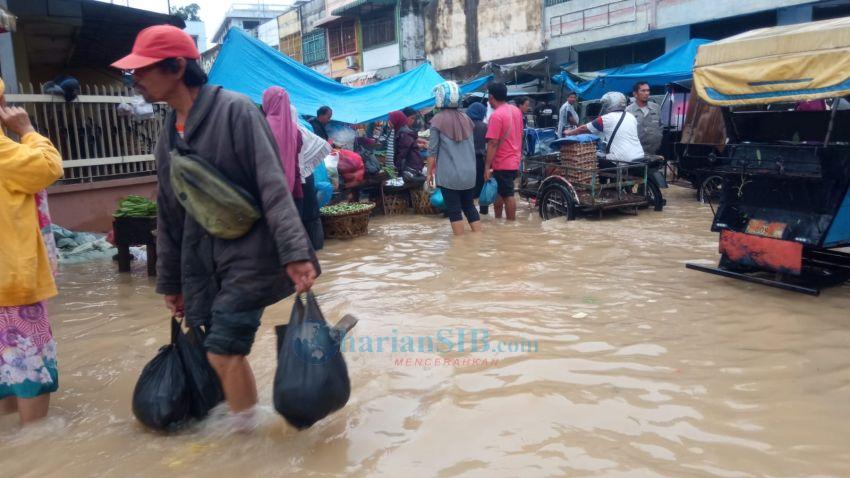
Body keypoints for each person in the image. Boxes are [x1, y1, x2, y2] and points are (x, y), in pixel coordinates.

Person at [112, 25, 319, 425]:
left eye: (143, 69)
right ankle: (244, 425)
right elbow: (169, 215)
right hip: (204, 258)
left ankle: (244, 444)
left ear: (175, 67)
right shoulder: (168, 136)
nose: (135, 79)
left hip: (251, 255)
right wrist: (172, 284)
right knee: (219, 348)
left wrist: (294, 253)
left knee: (223, 350)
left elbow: (272, 185)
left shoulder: (236, 111)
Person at [0, 77, 64, 425]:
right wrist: (27, 129)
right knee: (30, 365)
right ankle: (36, 440)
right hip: (12, 281)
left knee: (5, 368)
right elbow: (48, 167)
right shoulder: (5, 151)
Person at [426, 81, 482, 235]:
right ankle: (479, 239)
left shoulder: (437, 120)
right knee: (469, 206)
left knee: (454, 210)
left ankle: (461, 246)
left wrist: (429, 174)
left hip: (450, 176)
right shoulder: (467, 118)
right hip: (470, 174)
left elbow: (432, 152)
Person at [564, 91, 644, 164]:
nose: (605, 107)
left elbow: (584, 129)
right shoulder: (631, 116)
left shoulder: (606, 118)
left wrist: (570, 132)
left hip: (621, 159)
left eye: (606, 105)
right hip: (639, 156)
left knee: (593, 162)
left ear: (610, 104)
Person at [484, 82, 523, 221]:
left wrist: (487, 167)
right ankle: (498, 220)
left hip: (502, 162)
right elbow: (520, 134)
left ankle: (510, 224)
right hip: (514, 159)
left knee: (508, 195)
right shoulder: (516, 110)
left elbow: (492, 143)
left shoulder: (496, 116)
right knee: (499, 192)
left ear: (491, 97)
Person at [625, 81, 662, 154]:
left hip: (655, 152)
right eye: (643, 91)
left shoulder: (656, 107)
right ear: (635, 94)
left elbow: (661, 125)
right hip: (637, 153)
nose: (647, 93)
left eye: (648, 90)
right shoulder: (628, 111)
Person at [466, 102, 489, 214]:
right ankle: (484, 212)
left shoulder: (465, 126)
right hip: (481, 161)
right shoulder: (485, 126)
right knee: (483, 187)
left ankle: (470, 212)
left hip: (466, 161)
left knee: (468, 188)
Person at [389, 110, 424, 182]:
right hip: (411, 165)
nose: (389, 122)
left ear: (397, 120)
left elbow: (403, 152)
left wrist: (397, 166)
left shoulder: (403, 133)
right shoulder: (400, 131)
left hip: (410, 166)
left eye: (391, 120)